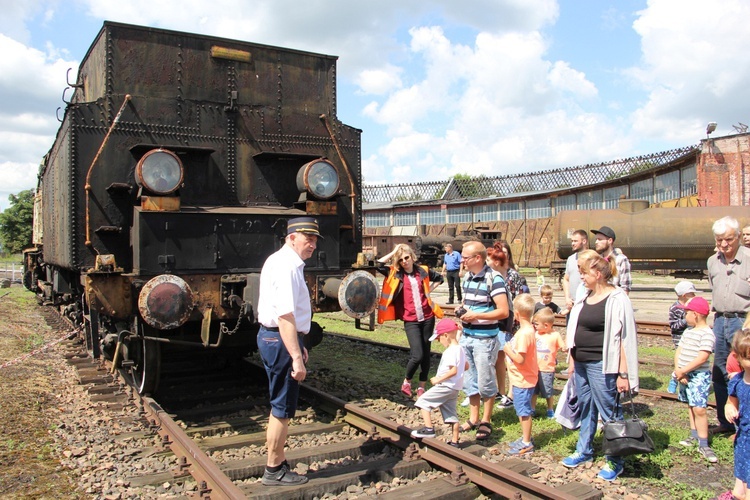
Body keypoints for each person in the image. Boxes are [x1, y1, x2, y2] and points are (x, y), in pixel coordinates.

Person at [560, 249, 639, 482]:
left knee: (610, 411)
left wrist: (623, 373)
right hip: (582, 362)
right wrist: (573, 360)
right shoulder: (585, 295)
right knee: (585, 406)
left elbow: (624, 339)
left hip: (603, 364)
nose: (581, 277)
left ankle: (616, 459)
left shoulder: (617, 298)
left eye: (584, 273)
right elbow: (575, 329)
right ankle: (584, 450)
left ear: (598, 273)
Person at [257, 216, 322, 486]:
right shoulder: (286, 267)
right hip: (280, 339)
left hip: (279, 339)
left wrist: (300, 344)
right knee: (281, 408)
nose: (313, 245)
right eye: (308, 239)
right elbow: (285, 316)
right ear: (291, 238)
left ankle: (279, 461)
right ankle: (273, 469)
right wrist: (296, 356)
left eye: (315, 240)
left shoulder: (285, 262)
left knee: (280, 405)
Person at [377, 243, 444, 398]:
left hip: (427, 317)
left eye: (406, 258)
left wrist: (429, 292)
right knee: (417, 355)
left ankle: (421, 387)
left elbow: (440, 278)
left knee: (426, 353)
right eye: (401, 260)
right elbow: (378, 264)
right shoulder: (395, 274)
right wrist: (394, 251)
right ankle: (407, 381)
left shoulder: (424, 271)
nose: (404, 261)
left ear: (412, 257)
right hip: (411, 320)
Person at [458, 241, 509, 441]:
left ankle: (486, 420)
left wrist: (476, 317)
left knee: (486, 380)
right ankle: (473, 418)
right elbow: (467, 304)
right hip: (468, 336)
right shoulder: (468, 278)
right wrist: (462, 311)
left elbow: (503, 311)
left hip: (484, 339)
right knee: (470, 379)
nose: (462, 260)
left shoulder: (494, 279)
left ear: (477, 258)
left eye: (465, 257)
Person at [707, 216, 750, 434]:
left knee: (743, 371)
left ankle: (745, 422)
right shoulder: (712, 261)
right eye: (719, 240)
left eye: (728, 240)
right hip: (720, 320)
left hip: (743, 322)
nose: (724, 244)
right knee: (720, 371)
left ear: (739, 238)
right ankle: (726, 422)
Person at [673, 296, 717, 463]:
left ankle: (704, 443)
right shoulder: (688, 332)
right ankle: (694, 436)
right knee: (691, 405)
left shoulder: (707, 334)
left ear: (696, 315)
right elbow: (679, 350)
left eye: (687, 313)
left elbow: (702, 358)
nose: (685, 316)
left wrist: (683, 370)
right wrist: (678, 370)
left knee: (700, 408)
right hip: (684, 375)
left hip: (698, 376)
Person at [411, 318, 468, 447]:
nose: (438, 341)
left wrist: (438, 379)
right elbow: (466, 366)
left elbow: (453, 370)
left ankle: (429, 429)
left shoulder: (450, 351)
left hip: (446, 385)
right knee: (451, 414)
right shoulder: (460, 349)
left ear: (446, 335)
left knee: (423, 401)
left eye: (439, 338)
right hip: (455, 388)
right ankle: (455, 441)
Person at [503, 293, 538, 455]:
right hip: (523, 378)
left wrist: (507, 350)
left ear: (516, 314)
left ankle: (526, 442)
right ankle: (525, 438)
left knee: (524, 412)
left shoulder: (524, 334)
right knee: (522, 410)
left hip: (523, 380)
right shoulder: (528, 330)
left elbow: (520, 359)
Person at [486, 241, 515, 409]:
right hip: (498, 323)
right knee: (498, 357)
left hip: (510, 323)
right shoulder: (491, 276)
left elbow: (520, 301)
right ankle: (501, 391)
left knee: (510, 359)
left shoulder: (513, 276)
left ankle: (511, 394)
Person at [722, 327, 750, 500]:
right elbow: (731, 401)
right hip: (743, 439)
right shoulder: (738, 381)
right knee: (739, 492)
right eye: (748, 358)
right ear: (738, 357)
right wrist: (729, 407)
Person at [532, 306, 566, 419]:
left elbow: (563, 347)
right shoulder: (535, 334)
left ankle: (550, 408)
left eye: (536, 324)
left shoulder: (555, 335)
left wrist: (566, 348)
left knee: (548, 391)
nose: (534, 326)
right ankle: (532, 408)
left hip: (547, 369)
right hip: (534, 368)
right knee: (534, 390)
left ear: (546, 325)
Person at [590, 226, 631, 295]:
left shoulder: (621, 259)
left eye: (600, 239)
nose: (596, 242)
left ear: (610, 241)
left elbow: (625, 288)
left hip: (613, 299)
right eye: (596, 239)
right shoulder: (597, 260)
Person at [563, 229, 588, 314]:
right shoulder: (570, 259)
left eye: (575, 241)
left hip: (586, 304)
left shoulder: (592, 257)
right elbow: (566, 279)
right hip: (572, 305)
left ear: (584, 241)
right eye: (572, 241)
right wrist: (567, 298)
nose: (572, 243)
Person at [669, 281, 697, 348]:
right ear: (684, 295)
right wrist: (686, 320)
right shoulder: (674, 308)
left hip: (692, 339)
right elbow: (673, 326)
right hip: (680, 341)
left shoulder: (692, 306)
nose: (694, 295)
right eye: (692, 293)